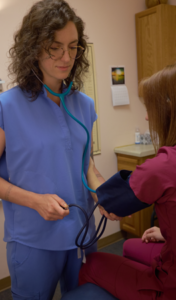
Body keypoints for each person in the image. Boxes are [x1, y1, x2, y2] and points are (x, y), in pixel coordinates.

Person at [0, 1, 106, 299]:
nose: (66, 57)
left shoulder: (83, 105)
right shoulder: (5, 107)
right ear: (34, 48)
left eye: (73, 47)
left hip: (82, 234)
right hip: (33, 240)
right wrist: (35, 201)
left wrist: (104, 193)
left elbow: (87, 165)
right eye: (54, 47)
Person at [61, 63, 176, 300]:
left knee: (92, 262)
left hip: (170, 283)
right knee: (129, 246)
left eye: (148, 107)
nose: (146, 116)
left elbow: (112, 204)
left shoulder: (162, 166)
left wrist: (87, 162)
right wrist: (168, 232)